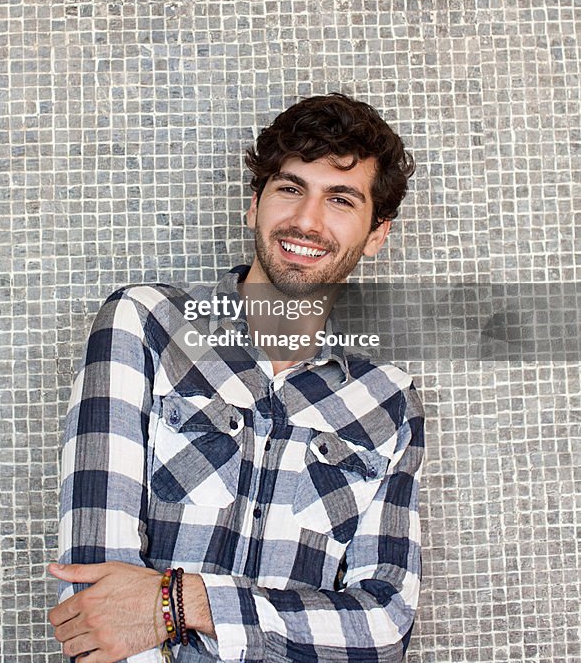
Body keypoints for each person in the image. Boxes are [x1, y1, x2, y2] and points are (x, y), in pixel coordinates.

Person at [48, 92, 424, 663]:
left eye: (341, 200)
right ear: (255, 203)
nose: (306, 220)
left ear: (376, 234)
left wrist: (184, 601)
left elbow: (383, 626)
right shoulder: (146, 326)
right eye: (290, 188)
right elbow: (96, 601)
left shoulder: (388, 401)